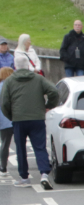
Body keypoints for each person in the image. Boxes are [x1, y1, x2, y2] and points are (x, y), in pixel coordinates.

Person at [0, 56, 58, 188]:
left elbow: (4, 102)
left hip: (19, 119)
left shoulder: (9, 81)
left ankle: (24, 177)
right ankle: (44, 174)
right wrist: (48, 105)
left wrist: (11, 116)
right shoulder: (38, 78)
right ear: (28, 66)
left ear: (15, 66)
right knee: (40, 147)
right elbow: (53, 91)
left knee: (20, 148)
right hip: (37, 117)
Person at [0, 68, 12, 176]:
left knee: (5, 144)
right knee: (20, 144)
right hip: (14, 119)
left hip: (4, 121)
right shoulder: (11, 86)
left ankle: (3, 167)